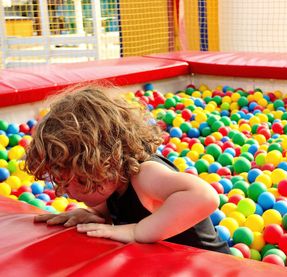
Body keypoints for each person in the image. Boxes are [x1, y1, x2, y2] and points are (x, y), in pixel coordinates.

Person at [25, 86, 230, 254]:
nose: (61, 192)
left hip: (212, 266)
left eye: (69, 181)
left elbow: (204, 196)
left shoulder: (145, 176)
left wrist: (137, 231)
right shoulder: (113, 188)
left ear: (101, 163)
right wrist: (93, 215)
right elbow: (118, 210)